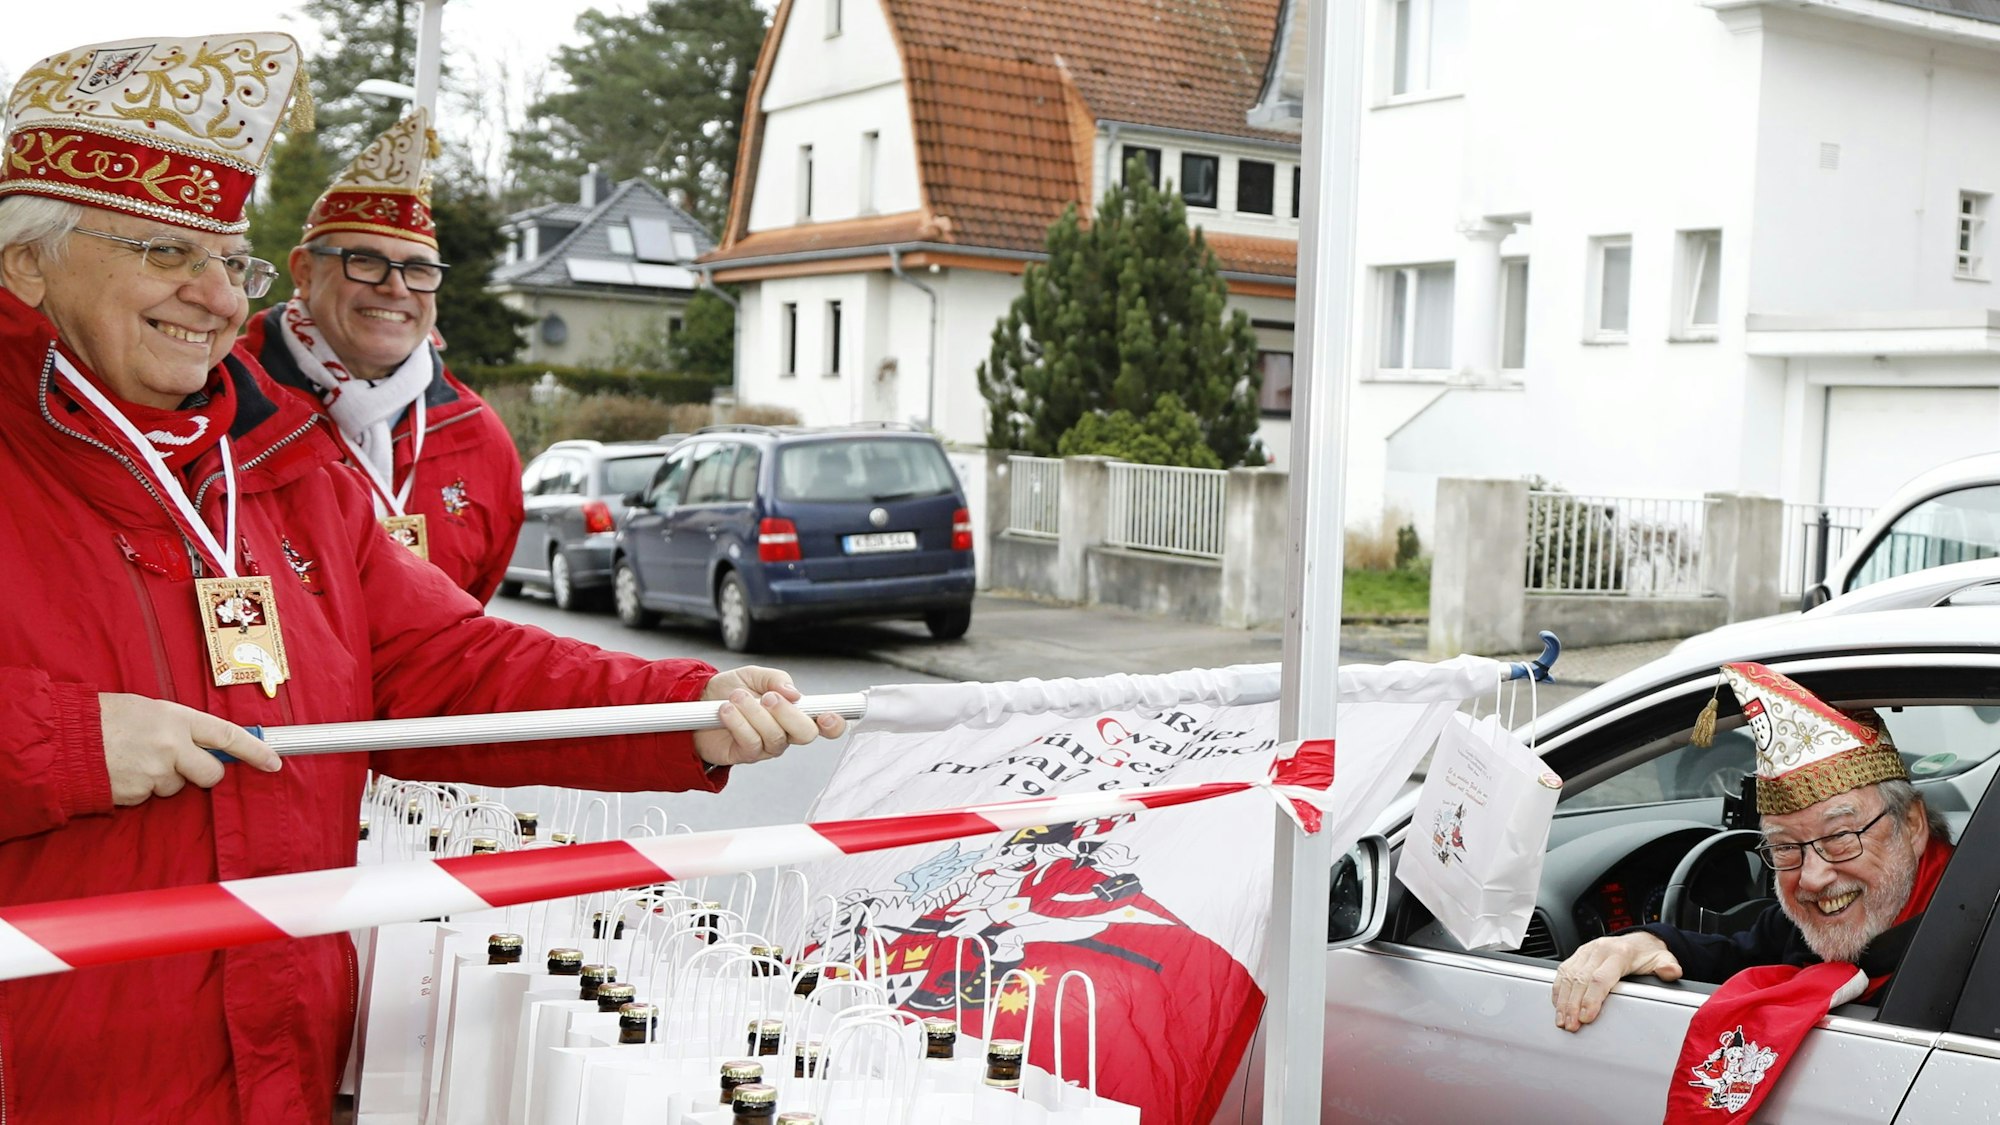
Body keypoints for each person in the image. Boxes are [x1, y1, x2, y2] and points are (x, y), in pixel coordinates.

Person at [0, 34, 843, 1123]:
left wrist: (684, 707)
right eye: (167, 251)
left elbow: (447, 658)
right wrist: (59, 743)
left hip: (278, 1058)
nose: (215, 297)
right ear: (27, 261)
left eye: (229, 258)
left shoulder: (278, 464)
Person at [1551, 662, 1954, 1034]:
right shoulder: (1826, 918)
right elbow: (1737, 955)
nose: (1812, 879)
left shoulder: (1972, 932)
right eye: (1785, 848)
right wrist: (1645, 943)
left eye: (1839, 837)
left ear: (1913, 824)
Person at [238, 107, 522, 601]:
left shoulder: (479, 436)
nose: (395, 288)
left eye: (418, 269)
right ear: (303, 271)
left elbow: (476, 607)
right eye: (364, 261)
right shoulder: (225, 402)